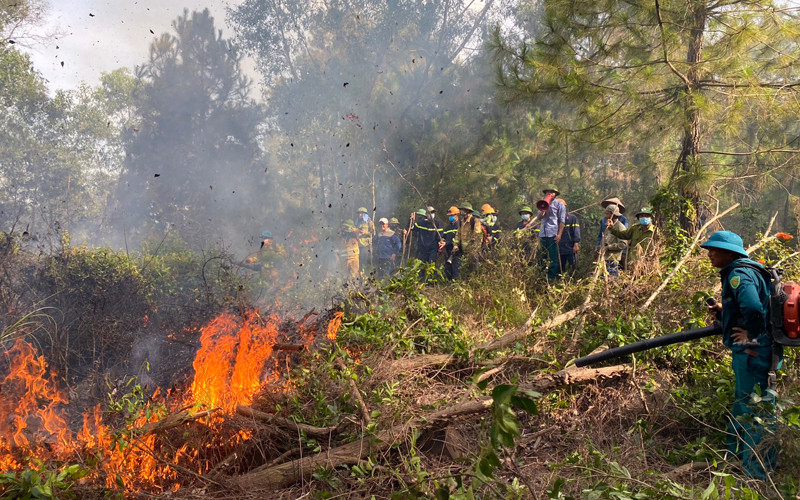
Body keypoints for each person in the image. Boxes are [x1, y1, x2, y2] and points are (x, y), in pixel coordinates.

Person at [701, 231, 781, 480]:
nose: (710, 254)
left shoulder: (738, 274)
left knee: (757, 410)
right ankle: (734, 457)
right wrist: (725, 310)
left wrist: (750, 335)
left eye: (714, 249)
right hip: (754, 353)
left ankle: (757, 475)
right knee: (744, 403)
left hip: (753, 353)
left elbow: (754, 308)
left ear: (729, 253)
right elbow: (754, 303)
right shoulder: (748, 270)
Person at [608, 207, 656, 274]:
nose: (644, 218)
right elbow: (624, 235)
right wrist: (612, 229)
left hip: (647, 263)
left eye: (647, 216)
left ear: (651, 218)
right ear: (639, 218)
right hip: (633, 262)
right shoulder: (634, 228)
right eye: (642, 216)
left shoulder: (655, 231)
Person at [536, 188, 567, 280]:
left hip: (552, 233)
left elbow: (562, 221)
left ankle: (551, 278)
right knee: (542, 256)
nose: (550, 193)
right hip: (543, 234)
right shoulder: (542, 203)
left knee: (553, 257)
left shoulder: (560, 205)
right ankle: (541, 276)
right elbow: (539, 217)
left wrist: (559, 234)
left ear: (555, 194)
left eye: (552, 192)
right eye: (548, 192)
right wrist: (543, 210)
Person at [451, 202, 483, 280]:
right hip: (463, 249)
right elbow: (458, 235)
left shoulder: (475, 221)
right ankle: (457, 282)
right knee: (456, 264)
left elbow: (478, 236)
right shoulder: (461, 222)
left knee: (473, 268)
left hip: (472, 250)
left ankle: (473, 282)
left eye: (463, 210)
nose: (461, 212)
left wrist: (474, 249)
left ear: (468, 211)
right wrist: (455, 245)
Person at [600, 205, 627, 278]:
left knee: (612, 280)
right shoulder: (607, 226)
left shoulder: (620, 227)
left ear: (613, 215)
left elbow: (623, 244)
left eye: (607, 213)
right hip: (605, 258)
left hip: (613, 259)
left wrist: (609, 247)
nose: (605, 216)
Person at [558, 200, 581, 276]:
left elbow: (576, 231)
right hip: (559, 248)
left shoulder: (572, 218)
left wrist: (576, 244)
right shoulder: (555, 220)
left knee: (573, 265)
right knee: (560, 267)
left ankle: (574, 279)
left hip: (570, 247)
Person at [441, 206, 460, 280]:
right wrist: (442, 241)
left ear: (456, 215)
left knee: (456, 269)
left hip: (456, 251)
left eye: (452, 216)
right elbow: (444, 236)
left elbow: (458, 238)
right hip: (448, 251)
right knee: (448, 269)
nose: (450, 217)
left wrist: (447, 243)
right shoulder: (448, 227)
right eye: (450, 216)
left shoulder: (459, 226)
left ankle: (455, 285)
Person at [355, 207, 375, 271]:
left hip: (365, 245)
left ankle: (365, 275)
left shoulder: (369, 222)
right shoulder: (357, 222)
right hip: (358, 245)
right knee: (358, 262)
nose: (359, 215)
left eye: (361, 213)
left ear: (365, 214)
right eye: (359, 213)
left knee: (364, 262)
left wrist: (365, 232)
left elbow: (374, 233)